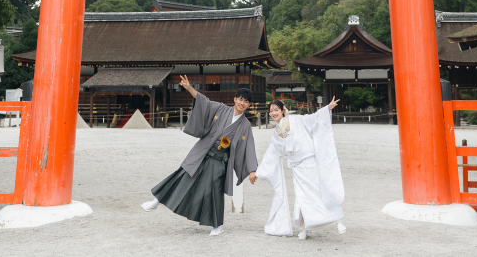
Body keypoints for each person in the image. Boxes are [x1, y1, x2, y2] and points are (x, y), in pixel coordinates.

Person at [141, 75, 258, 236]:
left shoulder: (245, 125)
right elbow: (204, 101)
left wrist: (252, 170)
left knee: (214, 191)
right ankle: (155, 201)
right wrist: (188, 87)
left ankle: (217, 226)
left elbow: (249, 147)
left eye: (245, 101)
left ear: (249, 105)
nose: (242, 103)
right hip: (204, 151)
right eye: (240, 99)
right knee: (183, 176)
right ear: (235, 99)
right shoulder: (221, 108)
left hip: (219, 159)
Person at [255, 98, 346, 239]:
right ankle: (304, 228)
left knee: (321, 191)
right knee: (302, 197)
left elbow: (313, 118)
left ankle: (338, 220)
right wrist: (259, 171)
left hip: (310, 162)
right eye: (271, 110)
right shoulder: (276, 132)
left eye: (276, 109)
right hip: (297, 167)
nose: (273, 113)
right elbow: (271, 153)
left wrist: (327, 108)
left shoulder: (296, 119)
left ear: (282, 110)